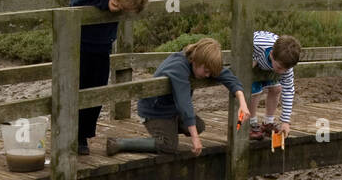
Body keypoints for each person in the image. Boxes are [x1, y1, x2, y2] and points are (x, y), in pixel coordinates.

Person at [105, 38, 248, 156]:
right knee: (168, 146)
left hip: (172, 110)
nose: (208, 76)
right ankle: (119, 142)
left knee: (199, 126)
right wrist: (195, 139)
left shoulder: (200, 62)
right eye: (206, 71)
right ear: (197, 60)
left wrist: (242, 103)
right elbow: (184, 103)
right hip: (154, 112)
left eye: (210, 73)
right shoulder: (178, 68)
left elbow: (228, 77)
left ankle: (169, 129)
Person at [70, 0, 150, 154]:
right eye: (124, 7)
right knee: (80, 89)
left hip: (103, 46)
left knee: (97, 92)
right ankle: (74, 136)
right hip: (81, 46)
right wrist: (105, 3)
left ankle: (84, 135)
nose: (123, 10)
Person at [247, 31, 302, 141]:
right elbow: (244, 41)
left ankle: (268, 122)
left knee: (277, 89)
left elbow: (288, 90)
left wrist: (285, 122)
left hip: (270, 66)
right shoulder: (258, 45)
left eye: (286, 69)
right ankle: (252, 124)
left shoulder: (285, 67)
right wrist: (250, 62)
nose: (283, 72)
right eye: (280, 67)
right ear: (272, 54)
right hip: (255, 59)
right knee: (255, 90)